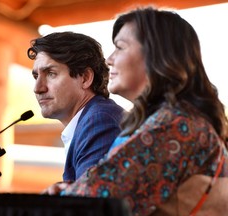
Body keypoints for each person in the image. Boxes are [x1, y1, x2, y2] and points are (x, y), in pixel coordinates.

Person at [43, 7, 228, 216]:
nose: (109, 59)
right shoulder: (175, 119)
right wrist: (72, 190)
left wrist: (70, 194)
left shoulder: (175, 124)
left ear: (156, 55)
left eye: (119, 48)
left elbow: (100, 199)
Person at [27, 32, 124, 182]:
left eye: (51, 74)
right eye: (36, 76)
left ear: (85, 78)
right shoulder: (90, 119)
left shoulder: (99, 121)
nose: (38, 88)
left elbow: (91, 201)